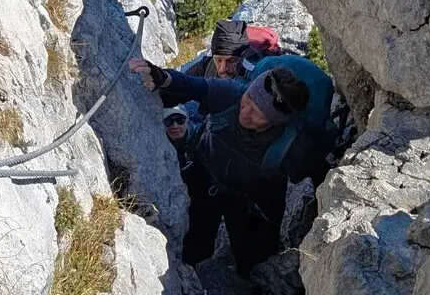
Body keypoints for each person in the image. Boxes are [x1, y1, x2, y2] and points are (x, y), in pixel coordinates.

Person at [131, 56, 333, 278]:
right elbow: (191, 85)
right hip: (205, 177)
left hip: (251, 203)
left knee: (254, 266)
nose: (245, 114)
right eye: (247, 101)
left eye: (259, 114)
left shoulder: (294, 149)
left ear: (278, 122)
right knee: (193, 250)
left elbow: (322, 179)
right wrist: (161, 76)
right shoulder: (233, 94)